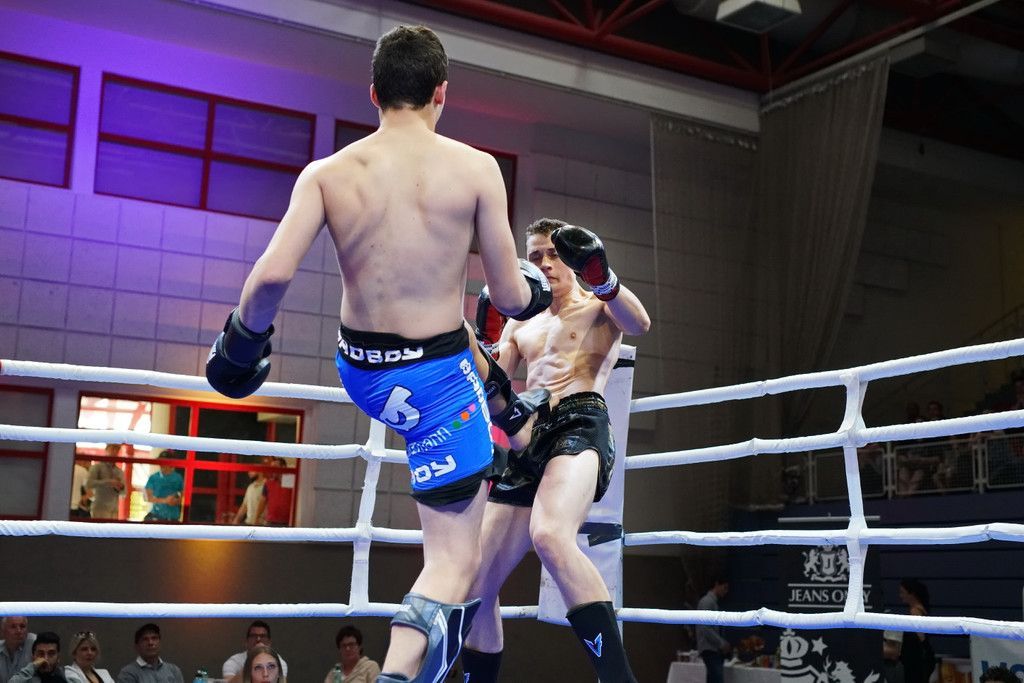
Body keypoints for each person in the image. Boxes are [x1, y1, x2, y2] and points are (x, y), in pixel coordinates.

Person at [204, 24, 552, 683]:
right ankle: (393, 672)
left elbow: (271, 277)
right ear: (442, 92)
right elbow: (509, 295)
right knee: (454, 560)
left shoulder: (327, 173)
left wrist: (240, 347)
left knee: (465, 347)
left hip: (361, 372)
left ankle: (509, 414)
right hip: (436, 382)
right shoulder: (477, 168)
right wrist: (537, 291)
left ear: (374, 93)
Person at [461, 218, 650, 683]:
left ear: (575, 257)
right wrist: (476, 341)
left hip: (580, 421)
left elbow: (640, 323)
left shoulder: (598, 305)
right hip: (526, 432)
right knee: (474, 581)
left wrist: (603, 279)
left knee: (550, 535)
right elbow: (491, 384)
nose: (544, 263)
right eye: (535, 256)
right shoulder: (519, 323)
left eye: (553, 253)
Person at [115, 623, 183, 683]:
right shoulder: (128, 673)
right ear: (137, 646)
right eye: (145, 639)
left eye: (154, 638)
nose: (150, 643)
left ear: (160, 643)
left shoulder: (174, 670)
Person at [695, 579, 732, 683]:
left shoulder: (712, 602)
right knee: (717, 679)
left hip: (712, 648)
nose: (726, 591)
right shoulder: (707, 602)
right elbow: (705, 627)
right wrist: (721, 643)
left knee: (713, 679)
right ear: (716, 584)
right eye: (724, 588)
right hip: (709, 648)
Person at [222, 622, 287, 681]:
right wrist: (253, 657)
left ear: (269, 643)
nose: (258, 639)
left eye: (263, 636)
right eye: (253, 636)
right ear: (246, 642)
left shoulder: (278, 661)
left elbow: (282, 681)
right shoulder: (234, 661)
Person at [899, 579, 935, 683]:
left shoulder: (916, 612)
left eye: (902, 592)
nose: (900, 596)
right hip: (915, 661)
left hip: (916, 663)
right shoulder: (918, 610)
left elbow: (922, 639)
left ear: (912, 594)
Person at [87, 444, 126, 519]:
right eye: (112, 449)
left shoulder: (119, 472)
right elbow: (89, 484)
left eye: (117, 450)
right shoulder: (97, 468)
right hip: (100, 508)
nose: (115, 452)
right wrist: (108, 482)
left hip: (114, 510)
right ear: (106, 450)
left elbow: (124, 493)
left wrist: (120, 487)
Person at [144, 451, 184, 522]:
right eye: (161, 462)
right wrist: (165, 500)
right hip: (156, 516)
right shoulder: (153, 477)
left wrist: (176, 501)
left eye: (164, 462)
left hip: (173, 518)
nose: (161, 465)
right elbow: (147, 497)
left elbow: (183, 495)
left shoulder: (178, 478)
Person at [258, 458, 292, 527]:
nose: (272, 470)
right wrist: (257, 517)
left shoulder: (290, 482)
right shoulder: (268, 483)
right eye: (271, 467)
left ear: (283, 467)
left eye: (275, 467)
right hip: (271, 522)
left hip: (287, 523)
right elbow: (262, 501)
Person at [1, 617, 36, 683]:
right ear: (3, 631)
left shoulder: (35, 644)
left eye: (22, 626)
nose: (19, 631)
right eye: (13, 627)